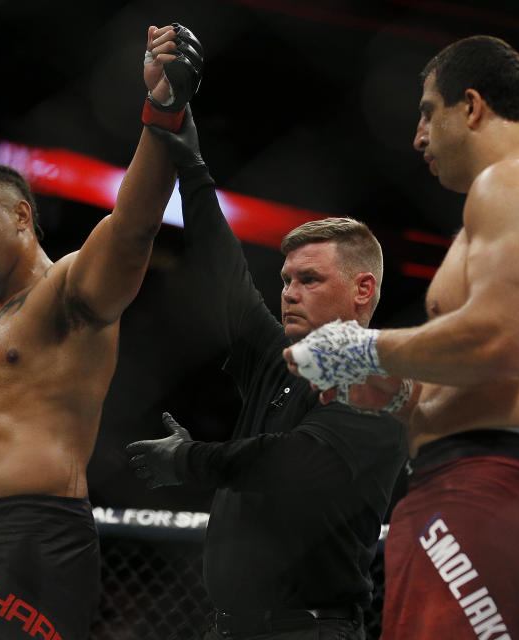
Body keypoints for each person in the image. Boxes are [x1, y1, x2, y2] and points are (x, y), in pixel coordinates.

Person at [0, 23, 204, 640]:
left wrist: (164, 111)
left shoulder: (68, 292)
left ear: (22, 216)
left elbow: (133, 227)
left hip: (31, 539)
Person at [284, 35, 519, 639]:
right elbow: (492, 365)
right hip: (479, 480)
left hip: (493, 483)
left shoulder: (518, 179)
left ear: (471, 106)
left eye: (427, 111)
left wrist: (361, 348)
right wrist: (392, 391)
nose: (417, 136)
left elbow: (499, 341)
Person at [125, 108, 409, 638]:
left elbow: (291, 462)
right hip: (228, 628)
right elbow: (223, 272)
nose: (289, 292)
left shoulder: (380, 382)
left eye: (309, 279)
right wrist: (192, 165)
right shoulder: (277, 356)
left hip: (307, 631)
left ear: (362, 289)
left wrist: (188, 459)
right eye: (285, 279)